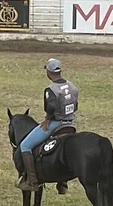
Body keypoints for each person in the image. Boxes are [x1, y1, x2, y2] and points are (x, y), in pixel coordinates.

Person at [17, 58, 78, 191]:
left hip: (56, 123)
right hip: (70, 123)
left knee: (25, 146)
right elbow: (76, 106)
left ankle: (32, 181)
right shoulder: (72, 86)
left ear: (49, 73)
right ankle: (63, 182)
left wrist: (48, 118)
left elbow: (50, 106)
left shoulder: (51, 89)